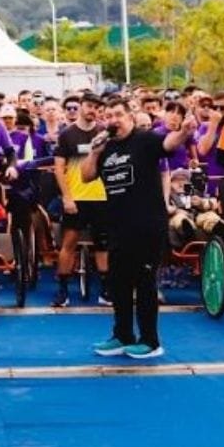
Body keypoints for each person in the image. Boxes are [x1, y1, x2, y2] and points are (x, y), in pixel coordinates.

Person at [81, 98, 198, 360]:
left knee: (144, 283)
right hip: (118, 226)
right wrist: (94, 152)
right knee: (118, 283)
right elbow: (86, 176)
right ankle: (122, 335)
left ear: (130, 117)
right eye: (108, 115)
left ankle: (150, 340)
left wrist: (184, 132)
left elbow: (169, 143)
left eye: (118, 115)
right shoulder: (106, 147)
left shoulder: (145, 140)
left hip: (147, 226)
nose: (113, 120)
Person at [51, 93, 110, 308]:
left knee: (103, 245)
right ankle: (63, 291)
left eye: (96, 107)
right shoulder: (66, 135)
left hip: (101, 198)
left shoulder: (104, 134)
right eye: (88, 105)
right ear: (81, 106)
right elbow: (58, 168)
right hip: (76, 198)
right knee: (69, 244)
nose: (91, 110)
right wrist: (67, 197)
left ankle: (105, 290)